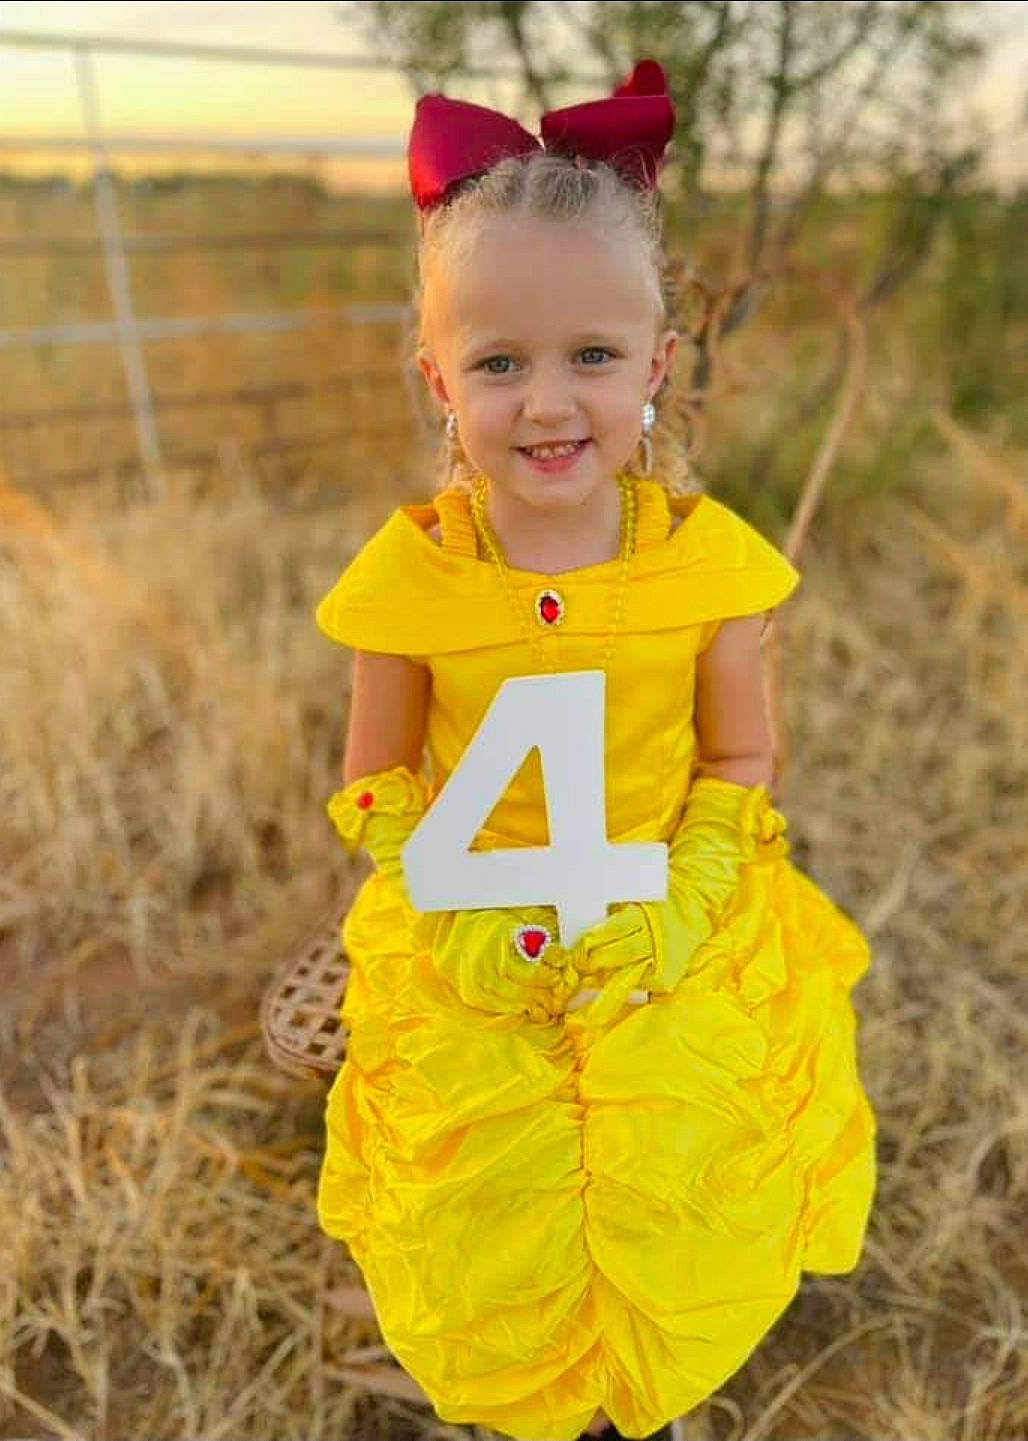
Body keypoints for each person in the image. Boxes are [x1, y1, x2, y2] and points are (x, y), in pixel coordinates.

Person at [313, 60, 877, 1441]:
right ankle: (529, 1383)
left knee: (680, 1136)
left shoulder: (705, 573)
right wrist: (448, 918)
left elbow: (738, 762)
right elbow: (377, 781)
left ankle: (651, 1379)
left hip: (664, 911)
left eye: (594, 357)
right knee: (484, 1179)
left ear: (658, 367)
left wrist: (685, 905)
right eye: (499, 363)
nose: (549, 403)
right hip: (479, 925)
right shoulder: (414, 583)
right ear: (438, 379)